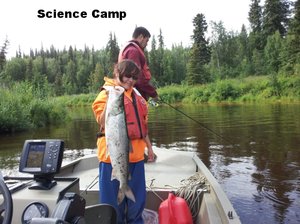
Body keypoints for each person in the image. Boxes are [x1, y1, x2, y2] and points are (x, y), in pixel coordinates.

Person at [92, 59, 155, 224]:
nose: (130, 80)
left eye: (134, 78)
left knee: (137, 203)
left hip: (136, 159)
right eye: (127, 76)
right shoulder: (106, 94)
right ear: (117, 73)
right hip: (111, 160)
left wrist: (150, 147)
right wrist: (113, 96)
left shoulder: (138, 96)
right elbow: (101, 119)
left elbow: (142, 126)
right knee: (111, 206)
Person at [118, 26, 158, 102]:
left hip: (133, 94)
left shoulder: (130, 49)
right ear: (141, 37)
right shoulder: (133, 51)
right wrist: (153, 93)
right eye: (147, 40)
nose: (147, 44)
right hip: (134, 95)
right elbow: (137, 77)